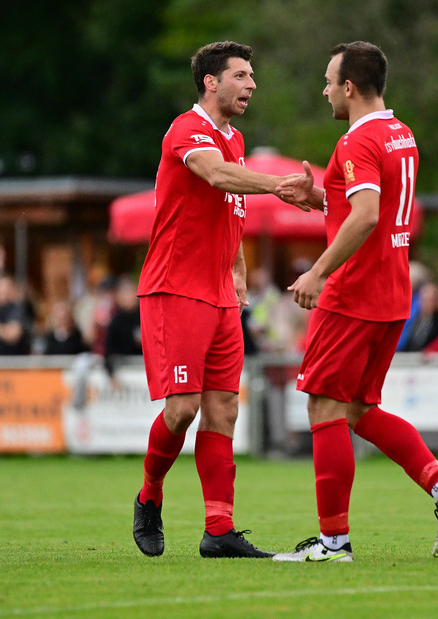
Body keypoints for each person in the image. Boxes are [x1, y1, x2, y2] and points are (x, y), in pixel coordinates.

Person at [272, 41, 438, 563]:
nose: (323, 90)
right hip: (392, 292)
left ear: (349, 87)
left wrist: (317, 271)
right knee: (359, 409)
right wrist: (315, 196)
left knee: (322, 405)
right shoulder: (400, 132)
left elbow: (364, 216)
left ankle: (333, 543)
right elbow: (367, 206)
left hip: (353, 291)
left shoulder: (357, 140)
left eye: (328, 80)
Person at [132, 40, 309, 559]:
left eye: (252, 76)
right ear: (211, 82)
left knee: (224, 409)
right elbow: (215, 176)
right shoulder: (187, 130)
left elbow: (226, 209)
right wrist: (278, 185)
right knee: (182, 409)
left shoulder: (236, 139)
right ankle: (149, 496)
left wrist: (236, 266)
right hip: (175, 289)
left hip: (220, 296)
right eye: (241, 75)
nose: (251, 84)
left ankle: (218, 530)